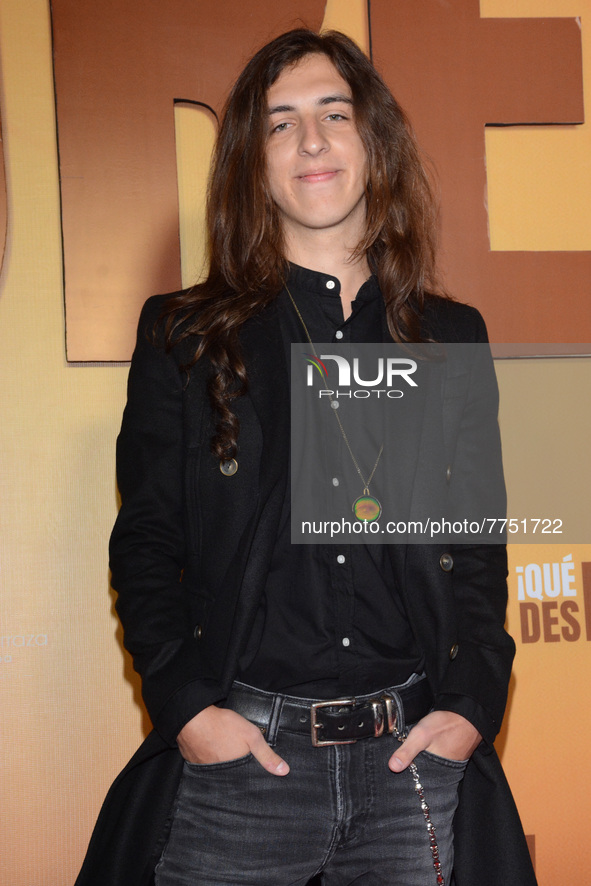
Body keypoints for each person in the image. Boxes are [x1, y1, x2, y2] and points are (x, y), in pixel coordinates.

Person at [75, 28, 537, 886]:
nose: (312, 140)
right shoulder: (185, 335)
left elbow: (475, 546)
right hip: (243, 770)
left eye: (334, 113)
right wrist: (186, 712)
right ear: (254, 161)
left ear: (374, 141)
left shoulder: (446, 335)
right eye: (280, 123)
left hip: (410, 768)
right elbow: (147, 542)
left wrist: (471, 708)